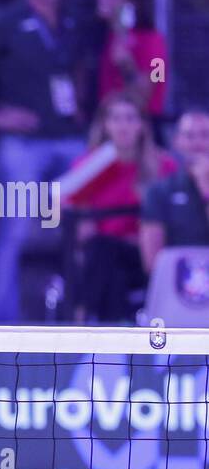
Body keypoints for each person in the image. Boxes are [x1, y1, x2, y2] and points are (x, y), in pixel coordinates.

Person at [0, 0, 88, 321]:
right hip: (23, 145)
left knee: (85, 229)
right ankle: (4, 325)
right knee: (15, 232)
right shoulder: (5, 21)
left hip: (72, 140)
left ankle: (82, 315)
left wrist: (83, 105)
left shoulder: (74, 18)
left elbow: (79, 68)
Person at [65, 94, 176, 322]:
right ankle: (113, 346)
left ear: (142, 125)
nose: (123, 126)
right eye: (115, 118)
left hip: (148, 253)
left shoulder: (165, 166)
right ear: (105, 124)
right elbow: (64, 205)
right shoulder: (88, 165)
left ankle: (85, 317)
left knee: (107, 256)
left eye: (130, 118)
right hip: (101, 254)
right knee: (107, 260)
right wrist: (82, 222)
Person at [94, 0, 168, 121]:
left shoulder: (154, 41)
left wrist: (128, 64)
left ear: (131, 2)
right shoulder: (104, 37)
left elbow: (156, 82)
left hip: (143, 125)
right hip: (106, 124)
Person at [141, 109, 209, 268]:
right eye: (189, 136)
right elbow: (151, 262)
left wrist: (206, 187)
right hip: (177, 281)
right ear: (177, 142)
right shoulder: (158, 192)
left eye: (205, 135)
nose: (197, 143)